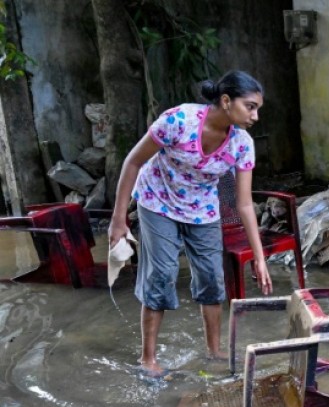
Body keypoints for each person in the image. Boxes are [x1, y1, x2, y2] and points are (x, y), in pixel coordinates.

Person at [108, 70, 274, 377]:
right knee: (162, 273)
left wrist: (260, 258)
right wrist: (118, 221)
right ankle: (148, 359)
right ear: (226, 101)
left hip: (202, 210)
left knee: (212, 276)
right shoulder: (177, 122)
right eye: (250, 106)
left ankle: (213, 352)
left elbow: (245, 203)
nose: (255, 116)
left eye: (257, 109)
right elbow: (133, 161)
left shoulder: (242, 144)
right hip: (157, 201)